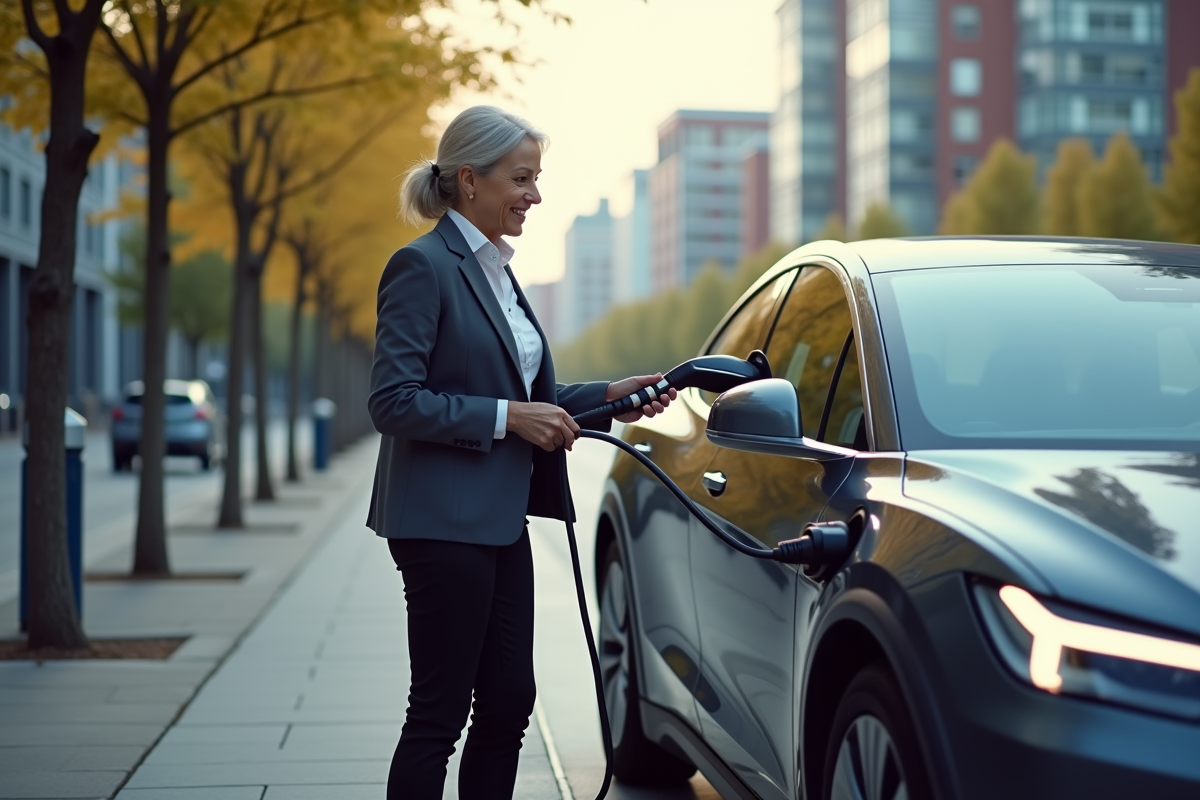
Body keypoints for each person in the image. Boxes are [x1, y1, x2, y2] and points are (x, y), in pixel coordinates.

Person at [366, 105, 676, 800]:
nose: (535, 195)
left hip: (499, 522)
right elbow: (392, 401)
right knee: (438, 714)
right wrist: (511, 418)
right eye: (523, 178)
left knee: (508, 701)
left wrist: (612, 393)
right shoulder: (422, 267)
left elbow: (528, 393)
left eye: (537, 179)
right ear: (470, 180)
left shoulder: (497, 272)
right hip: (441, 524)